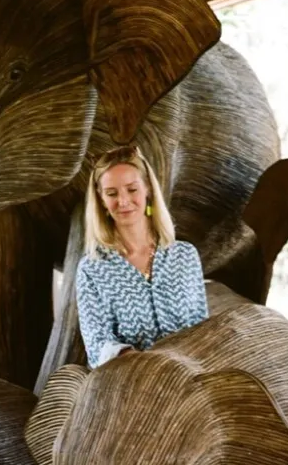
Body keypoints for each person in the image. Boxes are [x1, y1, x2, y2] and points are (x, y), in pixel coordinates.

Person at [77, 144, 209, 368]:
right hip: (133, 385)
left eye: (132, 189)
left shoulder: (185, 256)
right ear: (101, 200)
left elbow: (203, 328)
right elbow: (97, 345)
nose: (124, 201)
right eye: (112, 193)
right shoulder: (92, 269)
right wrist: (139, 362)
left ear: (147, 189)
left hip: (192, 379)